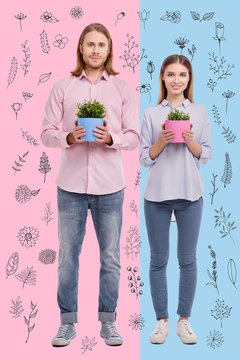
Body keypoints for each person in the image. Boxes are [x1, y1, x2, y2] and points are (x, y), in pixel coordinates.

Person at [41, 23, 139, 347]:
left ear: (109, 50)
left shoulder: (123, 90)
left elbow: (136, 136)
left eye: (102, 45)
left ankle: (108, 321)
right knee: (68, 256)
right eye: (90, 44)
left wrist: (111, 138)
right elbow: (45, 132)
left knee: (110, 257)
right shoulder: (62, 87)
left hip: (110, 186)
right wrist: (68, 137)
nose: (96, 50)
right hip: (69, 186)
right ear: (80, 49)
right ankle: (66, 322)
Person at [140, 54, 212, 345]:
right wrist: (161, 141)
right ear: (162, 78)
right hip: (157, 195)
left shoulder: (199, 112)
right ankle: (161, 322)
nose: (176, 80)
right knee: (158, 261)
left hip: (190, 194)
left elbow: (205, 154)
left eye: (182, 75)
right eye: (171, 74)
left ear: (189, 79)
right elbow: (145, 157)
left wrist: (191, 140)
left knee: (188, 259)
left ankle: (184, 320)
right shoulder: (151, 114)